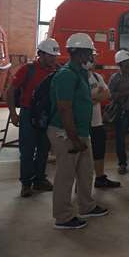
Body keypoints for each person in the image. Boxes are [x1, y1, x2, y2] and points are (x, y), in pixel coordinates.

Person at [48, 33, 108, 229]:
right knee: (66, 175)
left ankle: (86, 206)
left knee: (86, 171)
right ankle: (63, 217)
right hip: (65, 133)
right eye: (89, 53)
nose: (91, 57)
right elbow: (64, 109)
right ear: (80, 53)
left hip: (80, 131)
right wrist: (74, 139)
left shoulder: (80, 73)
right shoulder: (66, 75)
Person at [7, 38, 60, 197]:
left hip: (47, 115)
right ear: (40, 54)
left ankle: (39, 180)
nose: (54, 58)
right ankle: (26, 183)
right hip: (28, 114)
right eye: (50, 55)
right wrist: (13, 113)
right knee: (27, 150)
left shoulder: (57, 71)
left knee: (44, 149)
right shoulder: (27, 70)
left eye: (55, 55)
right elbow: (10, 91)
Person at [86, 56, 120, 188]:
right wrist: (97, 97)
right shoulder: (77, 78)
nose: (95, 63)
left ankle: (100, 178)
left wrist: (93, 98)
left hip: (97, 123)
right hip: (83, 124)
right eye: (92, 60)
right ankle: (81, 184)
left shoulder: (97, 77)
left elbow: (107, 94)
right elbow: (81, 100)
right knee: (83, 156)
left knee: (99, 151)